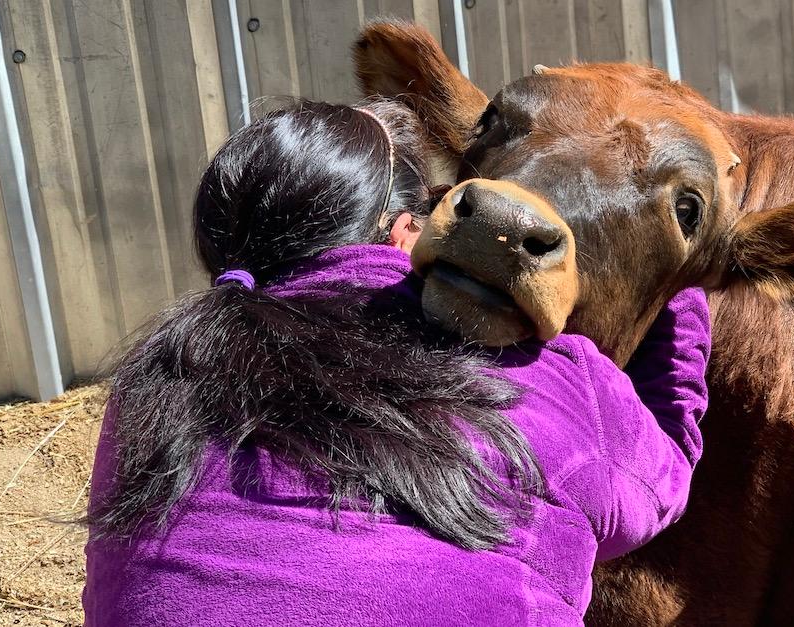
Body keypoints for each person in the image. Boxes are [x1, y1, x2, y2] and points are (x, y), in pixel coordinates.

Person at [83, 98, 711, 626]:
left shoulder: (160, 370)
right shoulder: (531, 370)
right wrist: (680, 290)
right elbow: (660, 485)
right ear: (409, 231)